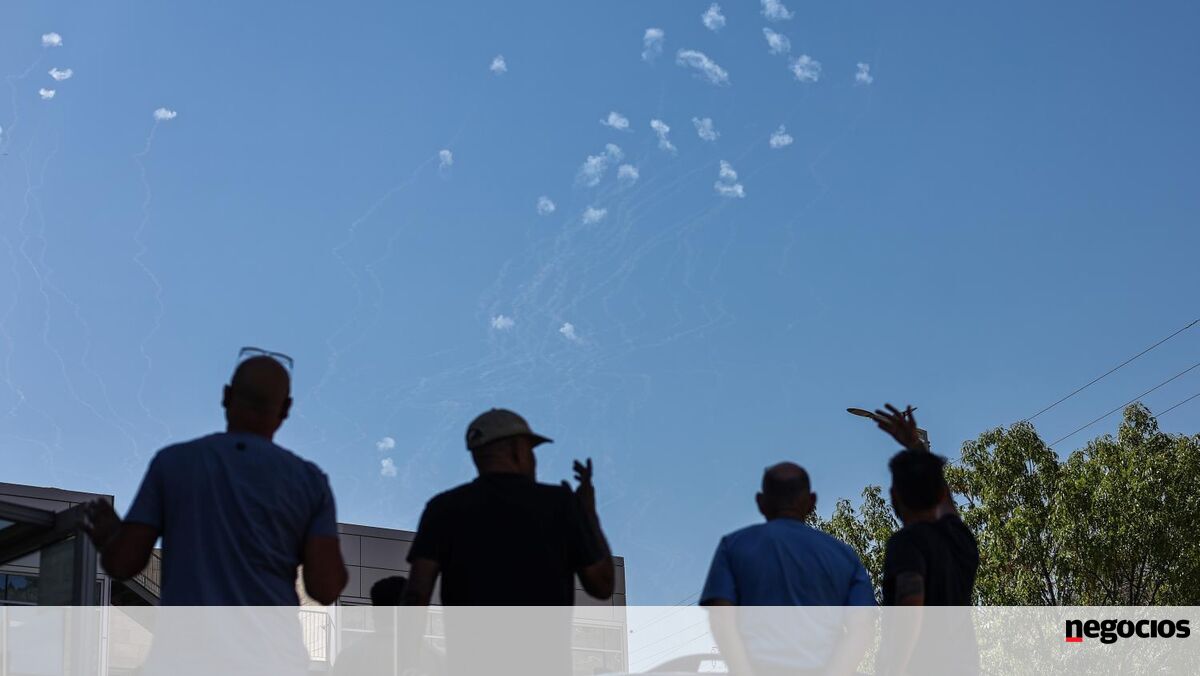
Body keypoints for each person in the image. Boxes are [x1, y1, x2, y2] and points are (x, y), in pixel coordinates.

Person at [82, 352, 348, 605]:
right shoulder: (310, 482)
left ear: (226, 395)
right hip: (274, 638)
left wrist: (111, 538)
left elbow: (123, 564)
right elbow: (325, 589)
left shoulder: (174, 463)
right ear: (286, 408)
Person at [402, 408, 614, 676]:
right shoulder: (560, 504)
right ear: (517, 449)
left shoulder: (442, 508)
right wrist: (588, 513)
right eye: (531, 450)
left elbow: (417, 594)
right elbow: (602, 585)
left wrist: (406, 662)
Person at [700, 463, 875, 676]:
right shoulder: (844, 556)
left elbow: (721, 618)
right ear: (811, 502)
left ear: (761, 502)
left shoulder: (733, 546)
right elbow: (862, 627)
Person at [873, 404, 979, 675]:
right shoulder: (960, 539)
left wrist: (893, 667)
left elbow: (911, 605)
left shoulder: (907, 543)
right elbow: (947, 503)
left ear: (894, 495)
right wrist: (916, 447)